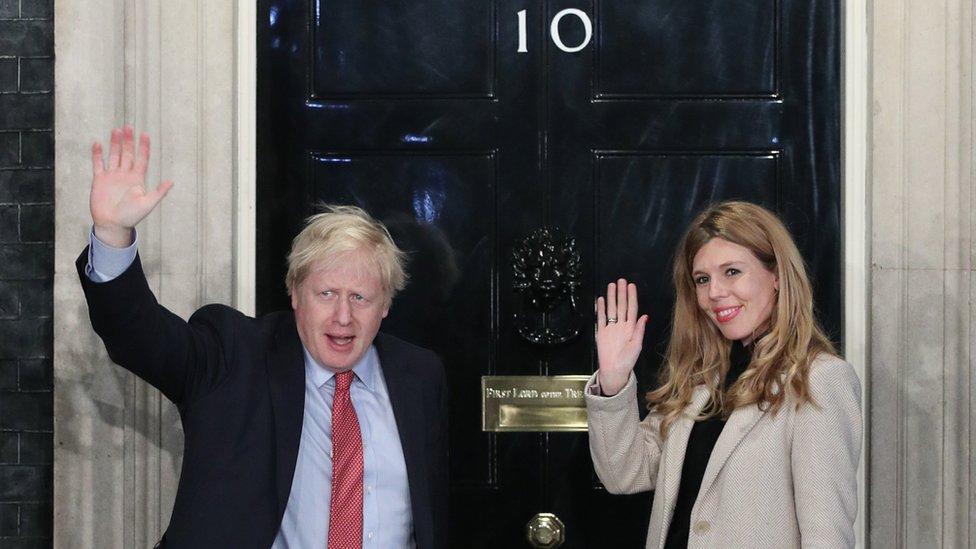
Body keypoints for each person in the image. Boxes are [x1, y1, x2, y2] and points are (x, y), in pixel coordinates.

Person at [77, 126, 448, 548]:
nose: (343, 316)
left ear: (385, 304)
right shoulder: (234, 354)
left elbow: (430, 514)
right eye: (326, 294)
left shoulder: (419, 375)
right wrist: (111, 236)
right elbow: (139, 338)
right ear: (294, 292)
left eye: (360, 297)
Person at [586, 201, 861, 548]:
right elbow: (623, 475)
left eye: (732, 272)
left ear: (776, 275)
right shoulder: (700, 381)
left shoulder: (818, 379)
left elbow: (827, 537)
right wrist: (613, 382)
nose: (714, 292)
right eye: (702, 279)